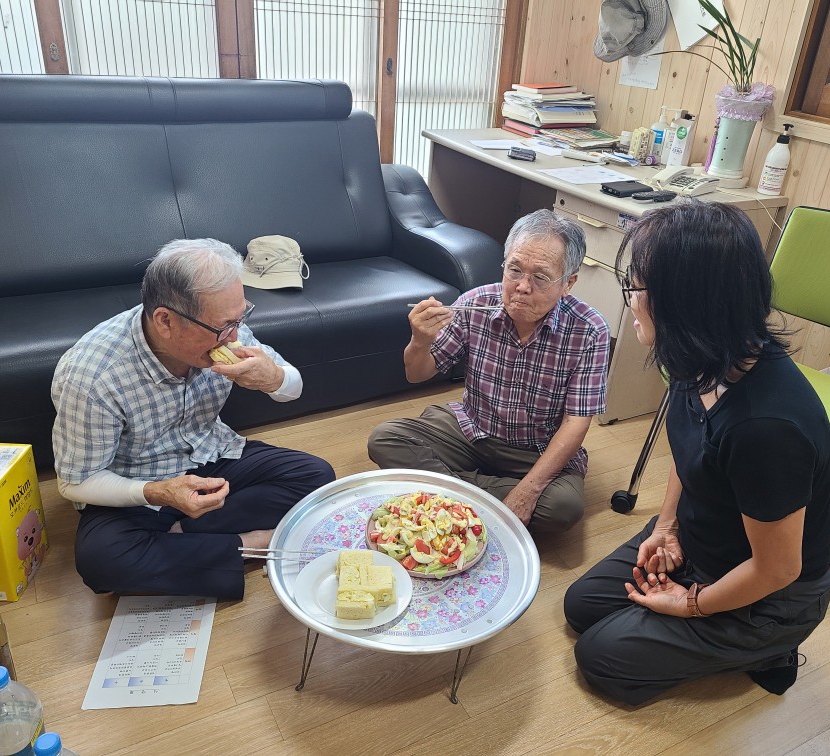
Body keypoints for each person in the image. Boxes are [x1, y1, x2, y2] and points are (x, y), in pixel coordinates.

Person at [564, 201, 830, 704]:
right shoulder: (700, 361)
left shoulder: (767, 428)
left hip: (771, 595)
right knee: (580, 607)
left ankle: (767, 648)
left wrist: (693, 604)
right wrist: (667, 528)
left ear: (686, 302)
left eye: (637, 289)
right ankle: (691, 619)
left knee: (601, 659)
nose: (630, 300)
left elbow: (779, 569)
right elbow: (688, 455)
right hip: (701, 538)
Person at [52, 238, 335, 600]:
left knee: (317, 478)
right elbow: (76, 482)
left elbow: (291, 386)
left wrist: (275, 378)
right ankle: (248, 544)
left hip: (210, 455)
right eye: (223, 328)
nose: (234, 336)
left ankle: (183, 540)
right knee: (101, 561)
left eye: (240, 319)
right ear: (166, 321)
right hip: (136, 483)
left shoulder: (226, 329)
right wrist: (156, 492)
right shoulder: (93, 376)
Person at [367, 209, 610, 532]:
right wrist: (419, 341)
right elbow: (418, 374)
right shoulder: (475, 304)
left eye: (540, 277)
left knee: (562, 508)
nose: (522, 286)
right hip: (472, 430)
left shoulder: (590, 330)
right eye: (514, 270)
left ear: (568, 283)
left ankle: (449, 493)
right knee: (385, 439)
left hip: (535, 448)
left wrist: (529, 488)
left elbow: (576, 423)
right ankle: (483, 497)